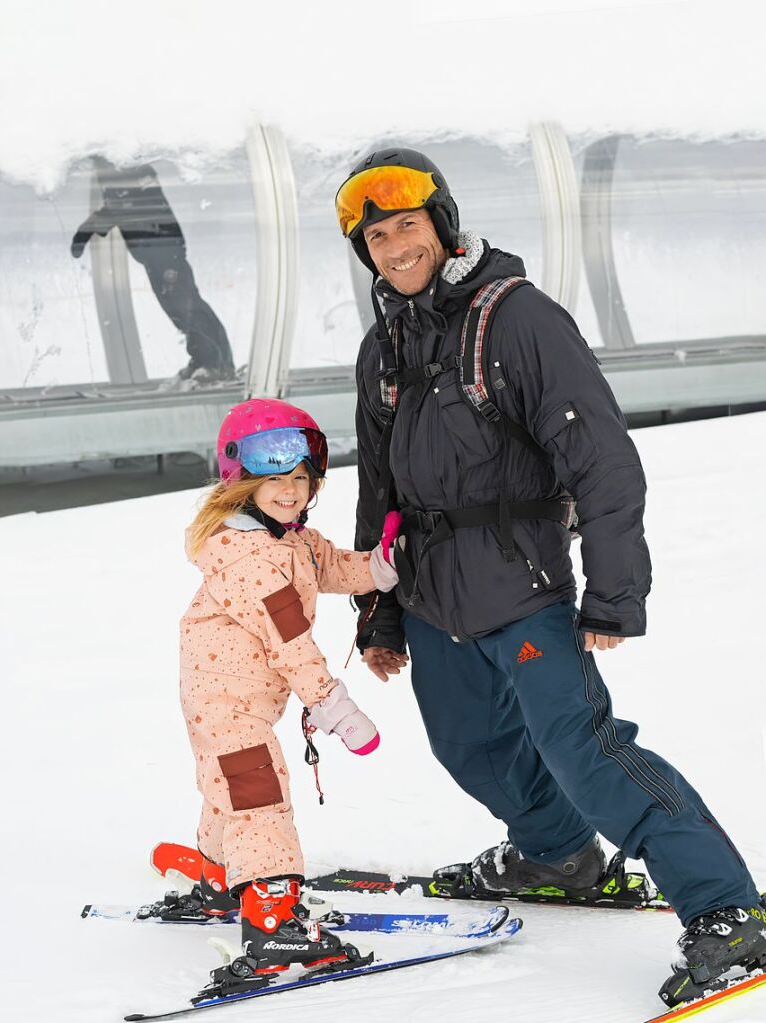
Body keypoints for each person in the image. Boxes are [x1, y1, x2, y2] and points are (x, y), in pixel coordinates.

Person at [335, 147, 765, 1006]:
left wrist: (613, 590)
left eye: (407, 226)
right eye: (376, 237)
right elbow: (378, 490)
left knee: (587, 751)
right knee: (470, 746)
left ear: (443, 225)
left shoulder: (517, 318)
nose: (394, 248)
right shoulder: (382, 348)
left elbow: (601, 457)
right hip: (429, 594)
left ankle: (727, 911)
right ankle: (557, 855)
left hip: (522, 584)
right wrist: (377, 613)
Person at [151, 397, 397, 996]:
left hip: (239, 699)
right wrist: (334, 705)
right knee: (257, 796)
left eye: (300, 480)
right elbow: (291, 644)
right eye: (274, 481)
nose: (289, 492)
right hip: (226, 702)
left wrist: (380, 568)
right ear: (243, 484)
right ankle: (274, 926)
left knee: (228, 789)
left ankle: (217, 879)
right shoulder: (246, 559)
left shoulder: (294, 538)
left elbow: (334, 568)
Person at [71, 158, 236, 385]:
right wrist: (90, 227)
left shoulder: (134, 169)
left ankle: (215, 365)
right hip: (153, 255)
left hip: (166, 252)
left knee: (186, 307)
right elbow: (118, 206)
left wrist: (91, 226)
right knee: (178, 310)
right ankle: (203, 360)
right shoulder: (113, 174)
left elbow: (133, 204)